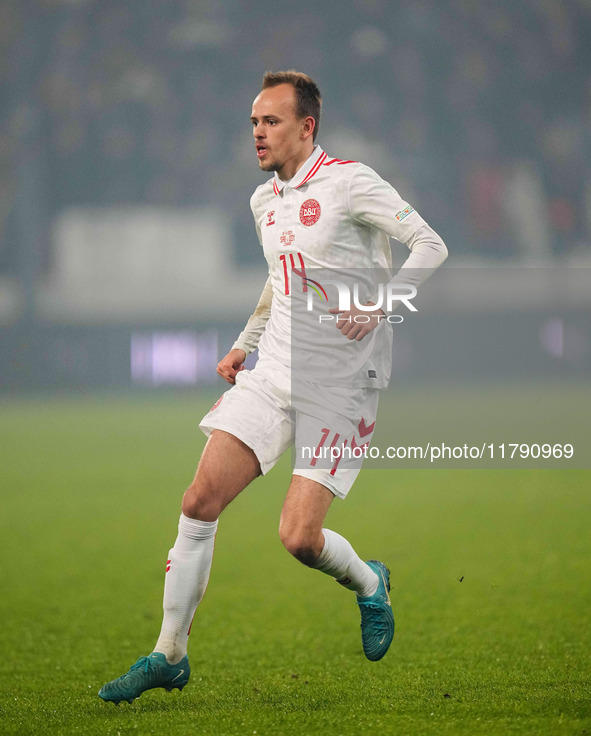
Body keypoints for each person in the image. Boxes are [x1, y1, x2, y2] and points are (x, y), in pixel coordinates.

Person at [99, 70, 447, 704]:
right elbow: (278, 283)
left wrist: (382, 305)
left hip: (342, 382)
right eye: (254, 122)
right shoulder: (264, 201)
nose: (257, 133)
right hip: (276, 370)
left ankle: (370, 583)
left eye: (271, 121)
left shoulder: (350, 182)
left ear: (306, 126)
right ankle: (168, 654)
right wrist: (245, 344)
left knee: (298, 538)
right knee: (199, 500)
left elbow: (431, 244)